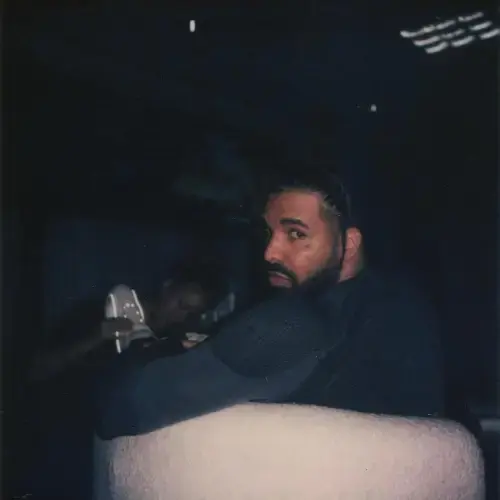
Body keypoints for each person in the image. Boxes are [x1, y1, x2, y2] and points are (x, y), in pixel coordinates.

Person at [95, 169, 445, 440]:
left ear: (349, 244)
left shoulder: (293, 322)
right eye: (268, 234)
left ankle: (140, 337)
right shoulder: (401, 306)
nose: (269, 253)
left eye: (296, 234)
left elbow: (115, 408)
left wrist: (141, 348)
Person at [30, 276, 219, 382]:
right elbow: (38, 369)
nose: (181, 315)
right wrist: (99, 335)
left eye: (191, 313)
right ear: (167, 287)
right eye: (181, 304)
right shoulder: (101, 312)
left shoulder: (171, 342)